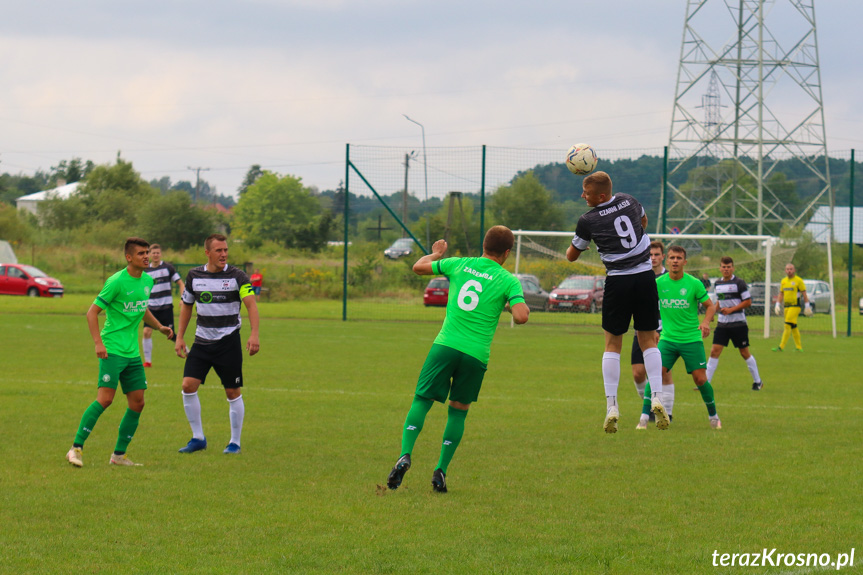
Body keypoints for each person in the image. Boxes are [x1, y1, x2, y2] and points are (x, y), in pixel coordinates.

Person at [386, 226, 529, 494]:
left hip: (445, 345)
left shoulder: (459, 264)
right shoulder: (508, 280)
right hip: (475, 355)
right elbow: (521, 317)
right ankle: (440, 470)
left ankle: (405, 455)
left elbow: (418, 267)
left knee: (422, 400)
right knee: (458, 410)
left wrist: (435, 253)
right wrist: (508, 304)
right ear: (507, 253)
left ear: (483, 245)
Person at [565, 171, 669, 433]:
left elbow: (571, 256)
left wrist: (586, 245)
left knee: (612, 344)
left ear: (600, 196)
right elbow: (643, 221)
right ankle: (656, 395)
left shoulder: (587, 219)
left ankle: (612, 406)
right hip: (646, 278)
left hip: (618, 281)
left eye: (586, 193)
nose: (582, 196)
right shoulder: (629, 200)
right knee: (648, 339)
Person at [65, 238, 174, 468]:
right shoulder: (116, 281)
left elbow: (141, 307)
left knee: (138, 403)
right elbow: (92, 313)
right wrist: (98, 343)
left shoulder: (146, 280)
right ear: (129, 257)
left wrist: (159, 326)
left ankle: (118, 456)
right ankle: (75, 448)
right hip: (112, 349)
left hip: (132, 353)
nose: (146, 256)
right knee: (105, 400)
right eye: (142, 253)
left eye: (148, 252)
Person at [175, 234, 260, 455]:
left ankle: (235, 442)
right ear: (208, 253)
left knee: (232, 391)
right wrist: (180, 336)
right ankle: (198, 438)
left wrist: (254, 334)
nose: (223, 254)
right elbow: (186, 306)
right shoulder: (194, 275)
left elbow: (251, 305)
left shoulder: (237, 276)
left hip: (228, 341)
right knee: (187, 386)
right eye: (219, 250)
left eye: (226, 250)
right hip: (202, 341)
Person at [638, 245, 721, 429]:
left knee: (700, 379)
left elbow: (710, 306)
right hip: (667, 339)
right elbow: (647, 308)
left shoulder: (694, 283)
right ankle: (643, 418)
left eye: (679, 258)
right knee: (655, 374)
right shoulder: (659, 283)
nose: (675, 261)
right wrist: (653, 331)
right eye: (673, 257)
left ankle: (714, 417)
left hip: (691, 339)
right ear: (667, 260)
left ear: (685, 262)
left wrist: (706, 323)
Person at [630, 241, 676, 425]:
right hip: (641, 329)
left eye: (657, 254)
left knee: (663, 371)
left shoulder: (669, 278)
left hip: (664, 331)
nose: (653, 258)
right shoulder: (641, 276)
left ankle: (668, 412)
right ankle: (650, 406)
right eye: (650, 254)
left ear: (662, 256)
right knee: (638, 373)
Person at [706, 257, 764, 391]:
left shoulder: (740, 283)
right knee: (714, 351)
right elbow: (720, 301)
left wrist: (731, 309)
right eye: (724, 267)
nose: (726, 269)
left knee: (744, 352)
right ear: (720, 268)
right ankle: (706, 383)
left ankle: (758, 381)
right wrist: (714, 312)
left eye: (729, 267)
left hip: (738, 324)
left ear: (733, 268)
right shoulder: (718, 284)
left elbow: (748, 302)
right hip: (722, 324)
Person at [142, 243, 184, 367]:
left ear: (160, 254)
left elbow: (181, 283)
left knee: (171, 335)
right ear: (149, 254)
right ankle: (148, 361)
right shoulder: (145, 270)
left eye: (158, 253)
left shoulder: (168, 268)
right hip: (151, 307)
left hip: (165, 307)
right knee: (146, 332)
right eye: (153, 253)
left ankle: (187, 351)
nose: (155, 255)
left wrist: (183, 298)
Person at [772, 263, 810, 352]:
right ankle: (799, 347)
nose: (789, 271)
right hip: (786, 306)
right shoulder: (784, 281)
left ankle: (781, 347)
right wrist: (777, 304)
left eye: (791, 269)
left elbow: (804, 294)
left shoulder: (798, 281)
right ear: (785, 271)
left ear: (794, 270)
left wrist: (807, 306)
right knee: (793, 326)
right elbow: (781, 293)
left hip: (795, 306)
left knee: (787, 325)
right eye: (787, 269)